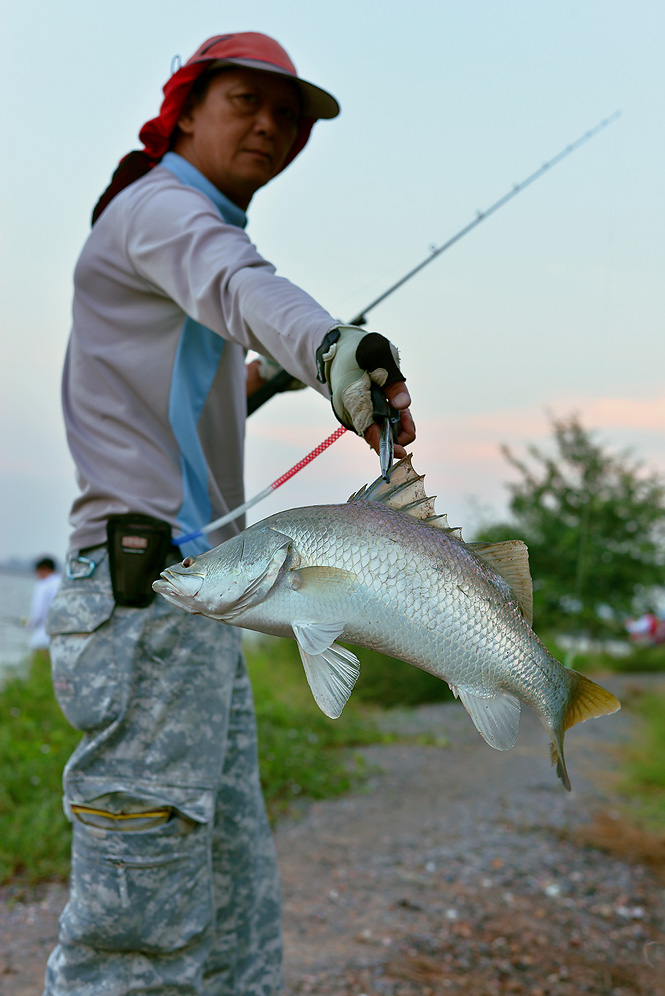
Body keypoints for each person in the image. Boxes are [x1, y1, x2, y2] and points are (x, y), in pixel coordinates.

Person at [44, 31, 415, 996]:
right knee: (136, 924)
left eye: (288, 114)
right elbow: (237, 280)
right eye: (246, 100)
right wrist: (332, 347)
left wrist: (267, 380)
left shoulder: (174, 223)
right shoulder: (165, 208)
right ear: (187, 109)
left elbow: (179, 374)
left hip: (192, 606)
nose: (269, 123)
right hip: (143, 601)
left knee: (229, 894)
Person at [26, 557, 61, 650]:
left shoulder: (43, 585)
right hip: (61, 637)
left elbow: (38, 612)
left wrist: (29, 624)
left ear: (44, 569)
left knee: (40, 662)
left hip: (43, 636)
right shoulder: (62, 582)